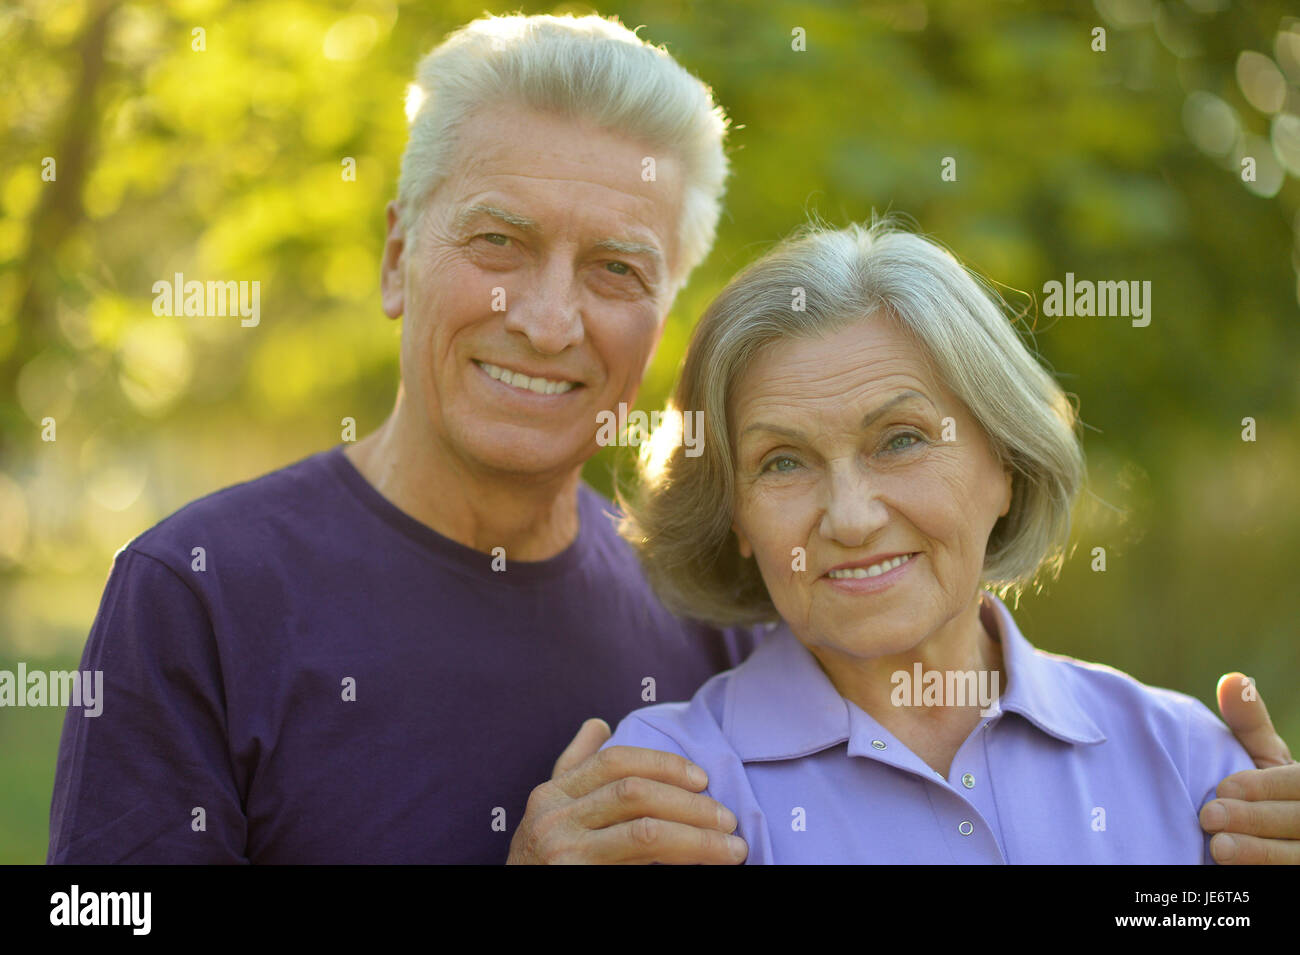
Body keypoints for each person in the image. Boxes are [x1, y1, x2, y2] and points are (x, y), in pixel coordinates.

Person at [46, 14, 1298, 865]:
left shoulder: (718, 619)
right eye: (495, 241)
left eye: (613, 266)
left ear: (666, 312)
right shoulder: (199, 594)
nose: (545, 316)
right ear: (393, 258)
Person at [601, 217, 1279, 862]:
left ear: (1007, 464)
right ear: (735, 519)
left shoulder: (1187, 759)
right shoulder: (668, 787)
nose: (851, 517)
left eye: (900, 440)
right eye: (782, 461)